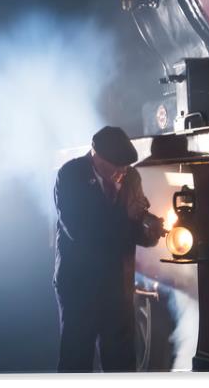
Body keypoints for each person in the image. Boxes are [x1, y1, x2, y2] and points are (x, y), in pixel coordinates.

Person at [53, 126, 165, 372]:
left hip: (118, 286)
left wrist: (150, 230)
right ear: (96, 156)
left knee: (121, 362)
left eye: (125, 167)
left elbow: (134, 232)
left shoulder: (130, 177)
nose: (121, 173)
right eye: (116, 167)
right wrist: (124, 216)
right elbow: (81, 233)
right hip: (79, 286)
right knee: (76, 360)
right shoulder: (70, 175)